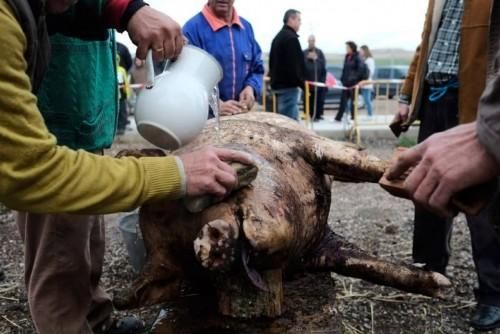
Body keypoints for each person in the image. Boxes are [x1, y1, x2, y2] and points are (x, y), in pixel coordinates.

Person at [0, 1, 252, 333]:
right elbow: (32, 172)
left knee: (87, 238)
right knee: (61, 253)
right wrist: (177, 174)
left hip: (83, 115)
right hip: (55, 122)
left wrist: (126, 11)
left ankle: (95, 318)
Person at [389, 0, 500, 330]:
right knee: (425, 183)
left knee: (484, 199)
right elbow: (426, 46)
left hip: (478, 101)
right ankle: (428, 270)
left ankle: (493, 293)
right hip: (436, 100)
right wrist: (407, 98)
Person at [183, 0, 264, 117]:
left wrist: (251, 87)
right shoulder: (191, 29)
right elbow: (186, 78)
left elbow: (257, 68)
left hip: (240, 117)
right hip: (203, 121)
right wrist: (213, 104)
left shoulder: (246, 28)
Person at [269, 9, 305, 121]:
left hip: (279, 86)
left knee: (283, 123)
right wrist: (302, 83)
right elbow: (294, 67)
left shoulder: (278, 37)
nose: (300, 23)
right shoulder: (291, 39)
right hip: (288, 88)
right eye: (299, 20)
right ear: (291, 19)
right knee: (290, 127)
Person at [334, 41, 365, 122]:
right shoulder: (347, 56)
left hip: (353, 84)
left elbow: (360, 70)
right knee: (343, 101)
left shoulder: (357, 57)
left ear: (352, 48)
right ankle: (338, 117)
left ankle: (353, 118)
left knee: (353, 102)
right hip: (345, 83)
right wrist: (342, 78)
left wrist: (354, 79)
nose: (346, 49)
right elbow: (345, 69)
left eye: (347, 48)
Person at [303, 34, 327, 121]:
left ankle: (317, 115)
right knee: (308, 100)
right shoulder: (304, 53)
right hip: (307, 82)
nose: (311, 43)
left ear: (315, 41)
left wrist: (316, 58)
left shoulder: (319, 52)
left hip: (318, 81)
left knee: (318, 99)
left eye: (312, 41)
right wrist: (307, 58)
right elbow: (301, 65)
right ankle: (309, 115)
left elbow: (323, 65)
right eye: (309, 41)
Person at [359, 45, 375, 117]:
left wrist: (365, 81)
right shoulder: (364, 59)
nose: (360, 52)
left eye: (361, 50)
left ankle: (370, 114)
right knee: (365, 100)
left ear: (365, 51)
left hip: (367, 82)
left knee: (367, 100)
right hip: (363, 82)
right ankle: (369, 114)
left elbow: (370, 72)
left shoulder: (369, 60)